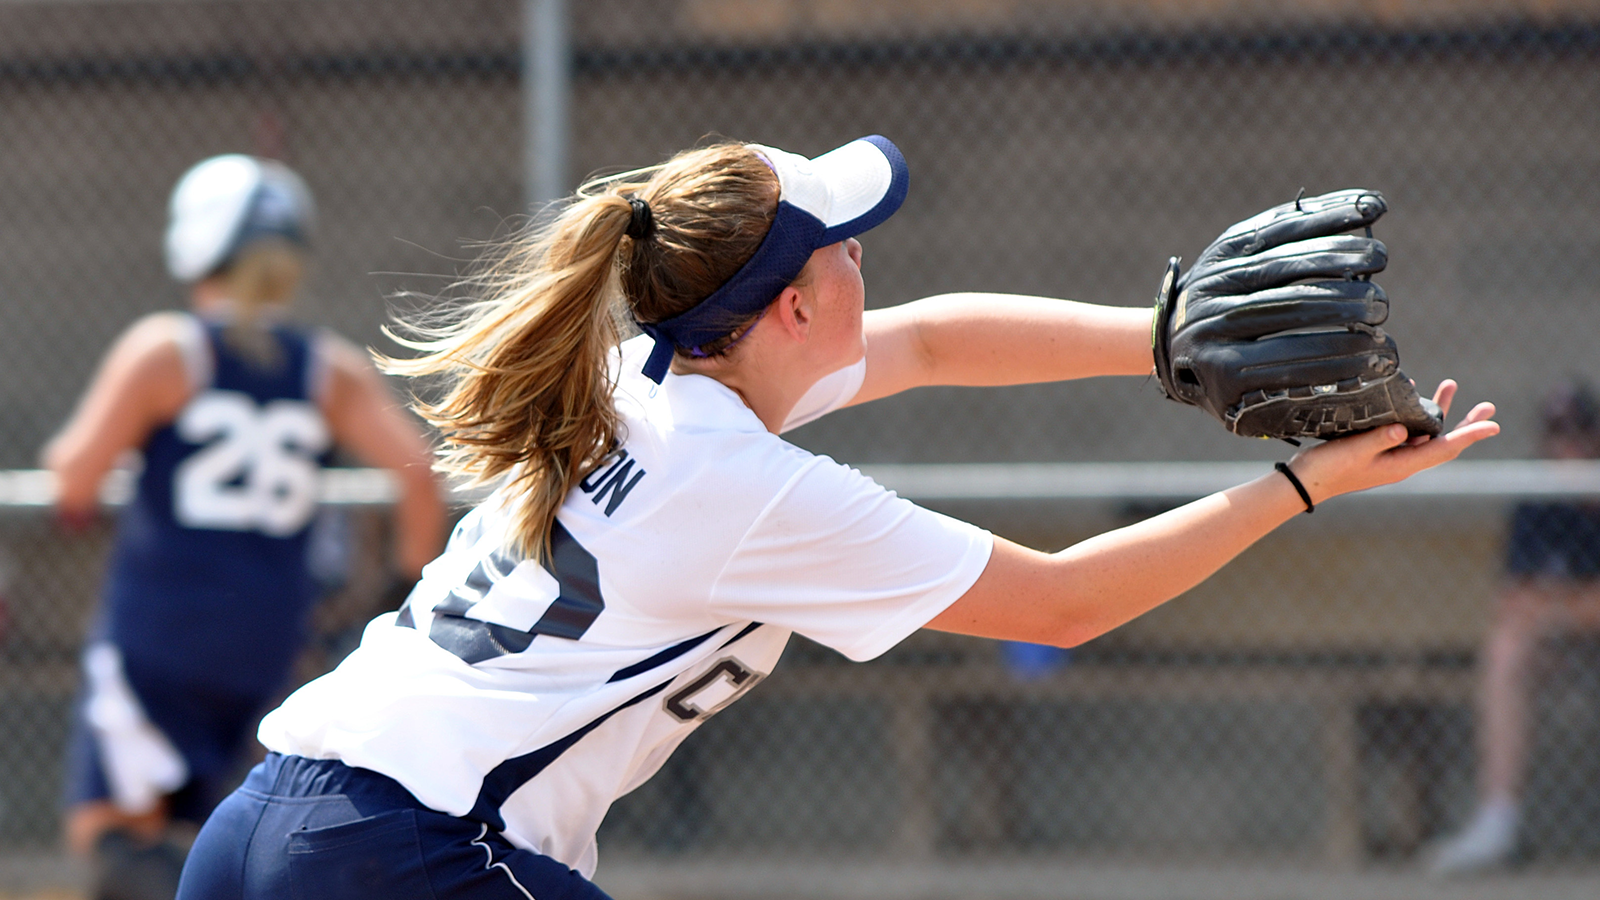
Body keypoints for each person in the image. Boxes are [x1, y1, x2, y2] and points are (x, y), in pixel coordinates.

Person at [173, 136, 1498, 900]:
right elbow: (1063, 603)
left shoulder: (653, 381)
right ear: (790, 311)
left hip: (269, 824)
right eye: (845, 248)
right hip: (405, 851)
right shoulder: (737, 485)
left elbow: (925, 345)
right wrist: (1305, 486)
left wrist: (1161, 342)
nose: (870, 262)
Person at [44, 154, 447, 900]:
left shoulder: (167, 351)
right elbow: (418, 474)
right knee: (220, 828)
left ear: (196, 244)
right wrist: (398, 590)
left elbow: (75, 476)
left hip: (160, 630)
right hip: (268, 636)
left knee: (111, 830)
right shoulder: (326, 367)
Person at [1429, 380, 1600, 876]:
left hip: (1563, 626)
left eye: (1578, 433)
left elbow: (1539, 602)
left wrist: (1557, 604)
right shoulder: (1538, 499)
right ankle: (1497, 822)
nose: (1567, 446)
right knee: (1506, 651)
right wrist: (1575, 607)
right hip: (1561, 644)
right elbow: (1514, 602)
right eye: (1557, 434)